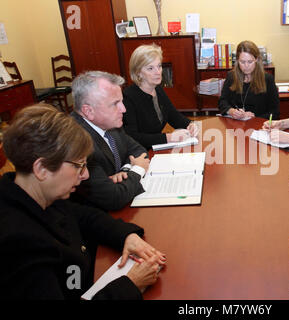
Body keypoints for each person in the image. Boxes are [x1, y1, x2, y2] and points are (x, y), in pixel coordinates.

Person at [0, 105, 166, 299]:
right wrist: (131, 285)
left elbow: (82, 215)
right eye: (79, 165)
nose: (85, 175)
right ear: (42, 168)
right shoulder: (17, 242)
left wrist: (126, 236)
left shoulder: (33, 192)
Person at [71, 71, 149, 212]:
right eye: (115, 104)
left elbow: (139, 151)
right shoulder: (76, 141)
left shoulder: (110, 124)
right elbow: (113, 198)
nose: (123, 109)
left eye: (121, 102)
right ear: (88, 111)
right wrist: (137, 169)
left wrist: (125, 171)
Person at [123, 44, 199, 150]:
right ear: (138, 72)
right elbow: (132, 137)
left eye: (159, 66)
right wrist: (169, 137)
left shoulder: (157, 89)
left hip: (157, 147)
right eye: (150, 68)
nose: (158, 72)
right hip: (139, 153)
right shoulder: (128, 97)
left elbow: (173, 115)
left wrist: (190, 124)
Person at [218, 40, 280, 120]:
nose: (246, 66)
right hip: (235, 124)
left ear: (256, 60)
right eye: (242, 62)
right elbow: (222, 101)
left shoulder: (267, 79)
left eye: (250, 62)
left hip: (259, 125)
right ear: (237, 61)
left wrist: (254, 118)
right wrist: (231, 111)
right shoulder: (231, 76)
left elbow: (274, 112)